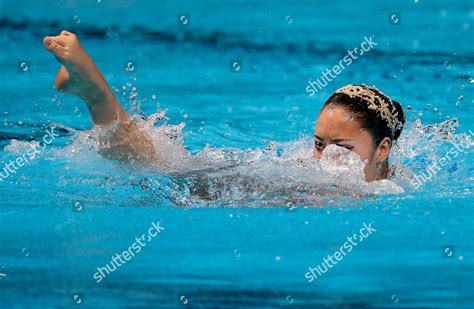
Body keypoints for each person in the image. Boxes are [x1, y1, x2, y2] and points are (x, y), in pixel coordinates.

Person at [43, 31, 405, 182]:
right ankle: (95, 94)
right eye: (318, 144)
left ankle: (93, 92)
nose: (322, 160)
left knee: (158, 165)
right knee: (157, 168)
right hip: (247, 182)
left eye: (341, 149)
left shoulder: (389, 190)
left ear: (383, 147)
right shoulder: (356, 191)